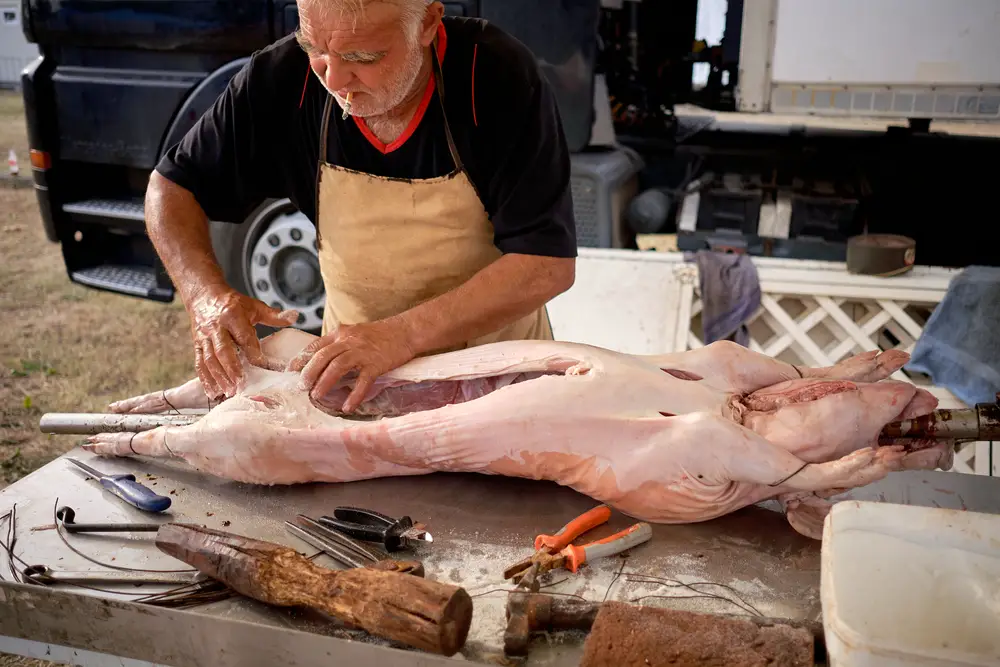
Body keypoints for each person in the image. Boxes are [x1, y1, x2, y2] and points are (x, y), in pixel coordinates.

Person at [147, 0, 578, 413]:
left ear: (428, 24)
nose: (333, 79)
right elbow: (170, 187)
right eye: (314, 48)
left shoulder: (493, 75)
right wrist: (204, 296)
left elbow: (544, 264)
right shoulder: (281, 79)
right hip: (351, 383)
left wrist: (402, 335)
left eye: (363, 56)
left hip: (498, 376)